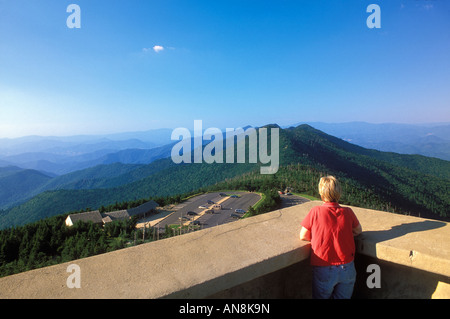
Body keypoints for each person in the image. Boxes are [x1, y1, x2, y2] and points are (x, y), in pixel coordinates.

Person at [300, 176, 362, 299]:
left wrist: (320, 237)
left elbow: (303, 236)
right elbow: (358, 231)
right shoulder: (348, 212)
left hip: (324, 266)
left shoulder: (315, 211)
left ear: (321, 194)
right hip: (347, 267)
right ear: (339, 193)